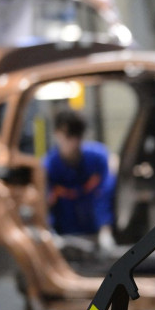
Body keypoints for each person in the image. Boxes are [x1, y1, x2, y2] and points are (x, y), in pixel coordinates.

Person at [44, 108, 116, 252]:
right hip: (64, 238)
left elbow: (105, 195)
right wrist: (49, 234)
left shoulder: (98, 159)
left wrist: (105, 230)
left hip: (96, 235)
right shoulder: (48, 167)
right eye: (69, 136)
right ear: (57, 134)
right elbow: (44, 206)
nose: (74, 142)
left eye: (78, 135)